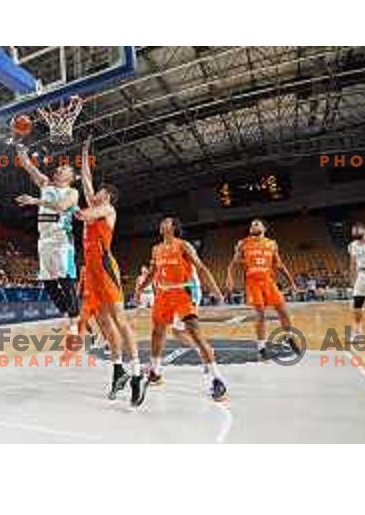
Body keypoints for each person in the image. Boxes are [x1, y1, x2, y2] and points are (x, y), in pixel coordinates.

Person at [77, 137, 147, 406]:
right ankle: (118, 370)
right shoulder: (94, 206)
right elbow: (85, 179)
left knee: (119, 320)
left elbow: (83, 214)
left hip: (106, 268)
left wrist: (68, 205)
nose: (94, 194)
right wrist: (85, 154)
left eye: (99, 192)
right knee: (104, 324)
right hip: (92, 272)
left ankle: (137, 373)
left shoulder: (107, 210)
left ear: (107, 197)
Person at [135, 218, 227, 401]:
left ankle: (217, 379)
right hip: (163, 294)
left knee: (194, 332)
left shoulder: (183, 245)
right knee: (157, 332)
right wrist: (139, 289)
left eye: (167, 221)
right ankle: (155, 371)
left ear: (174, 228)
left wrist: (215, 289)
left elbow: (201, 267)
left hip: (183, 291)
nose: (162, 222)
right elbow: (153, 273)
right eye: (162, 221)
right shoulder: (156, 249)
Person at [15, 148, 80, 336]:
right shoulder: (45, 183)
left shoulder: (72, 192)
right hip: (44, 239)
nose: (59, 169)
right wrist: (20, 147)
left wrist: (36, 201)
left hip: (61, 239)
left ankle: (74, 325)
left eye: (65, 169)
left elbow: (61, 207)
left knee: (66, 280)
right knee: (48, 282)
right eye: (59, 167)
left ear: (71, 177)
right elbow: (28, 166)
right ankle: (71, 313)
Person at [225, 219, 298, 360]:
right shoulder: (243, 243)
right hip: (253, 282)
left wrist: (291, 282)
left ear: (264, 228)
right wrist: (230, 278)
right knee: (260, 314)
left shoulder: (272, 244)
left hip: (269, 281)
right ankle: (261, 347)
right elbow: (232, 264)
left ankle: (288, 337)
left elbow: (279, 264)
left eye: (257, 224)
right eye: (252, 225)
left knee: (283, 311)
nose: (253, 226)